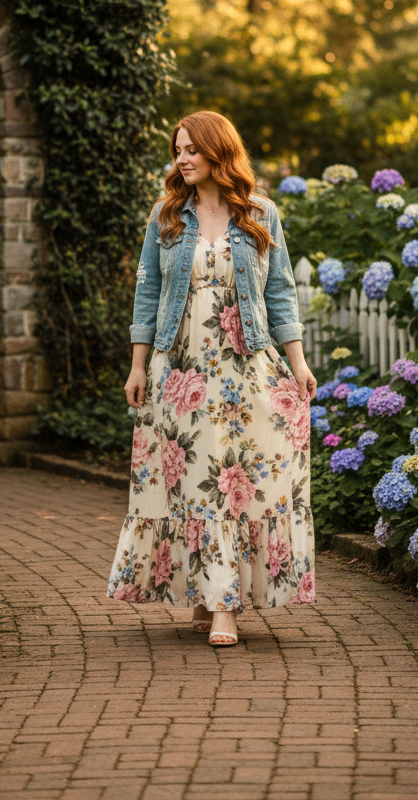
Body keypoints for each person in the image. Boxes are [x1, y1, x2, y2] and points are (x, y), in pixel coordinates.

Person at [107, 111, 316, 647]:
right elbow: (147, 294)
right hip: (180, 371)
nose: (182, 159)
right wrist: (137, 366)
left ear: (218, 152)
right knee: (194, 482)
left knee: (235, 480)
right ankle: (207, 598)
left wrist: (298, 363)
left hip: (244, 369)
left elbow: (281, 295)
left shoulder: (260, 214)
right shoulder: (168, 216)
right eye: (177, 150)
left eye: (192, 150)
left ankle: (224, 605)